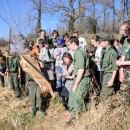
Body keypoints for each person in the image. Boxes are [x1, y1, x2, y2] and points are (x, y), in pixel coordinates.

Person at [66, 36, 90, 125]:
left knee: (78, 99)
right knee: (74, 97)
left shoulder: (79, 52)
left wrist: (76, 84)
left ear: (74, 43)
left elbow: (81, 69)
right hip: (78, 77)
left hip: (82, 79)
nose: (68, 47)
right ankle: (78, 115)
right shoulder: (77, 51)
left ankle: (75, 119)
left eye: (69, 45)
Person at [99, 32, 118, 101]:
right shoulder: (104, 51)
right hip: (104, 74)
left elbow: (115, 68)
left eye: (101, 41)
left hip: (109, 76)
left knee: (107, 97)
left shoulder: (112, 52)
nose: (99, 42)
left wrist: (111, 80)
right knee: (103, 95)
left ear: (107, 42)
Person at [116, 25, 130, 103]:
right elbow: (123, 56)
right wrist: (121, 72)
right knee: (123, 96)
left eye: (122, 30)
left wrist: (121, 62)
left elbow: (123, 60)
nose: (121, 32)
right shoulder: (126, 40)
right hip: (126, 73)